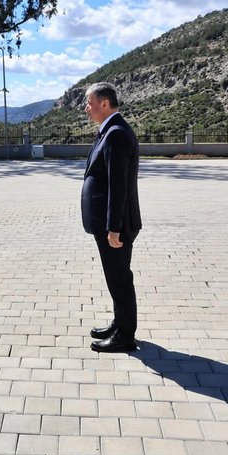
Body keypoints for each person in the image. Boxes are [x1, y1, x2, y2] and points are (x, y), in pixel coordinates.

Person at [81, 83, 142, 353]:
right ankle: (119, 324)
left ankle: (125, 336)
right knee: (115, 275)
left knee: (119, 277)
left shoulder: (116, 134)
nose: (87, 108)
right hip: (109, 222)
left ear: (104, 104)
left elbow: (118, 187)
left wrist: (113, 228)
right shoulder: (109, 131)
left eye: (90, 103)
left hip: (115, 224)